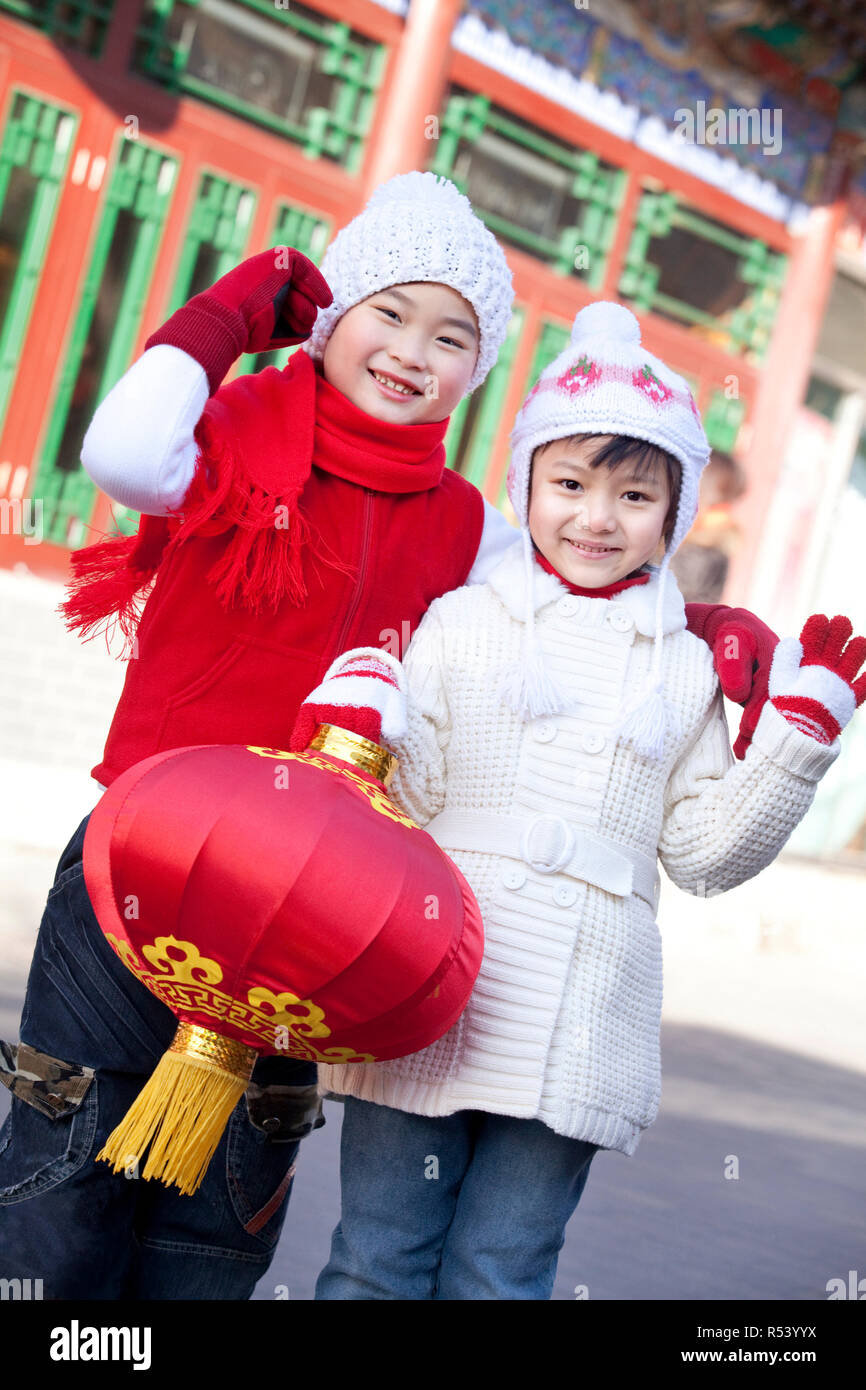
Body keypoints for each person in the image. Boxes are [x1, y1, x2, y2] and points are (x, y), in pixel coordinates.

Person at [0, 170, 776, 1298]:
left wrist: (705, 619)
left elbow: (587, 587)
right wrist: (224, 315)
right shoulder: (230, 432)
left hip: (321, 902)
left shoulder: (465, 524)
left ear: (477, 370)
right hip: (147, 860)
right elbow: (121, 456)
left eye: (452, 334)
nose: (415, 349)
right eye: (389, 311)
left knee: (220, 1208)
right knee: (69, 1151)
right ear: (329, 316)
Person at [305, 301, 866, 1301]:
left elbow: (698, 855)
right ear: (524, 485)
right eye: (566, 484)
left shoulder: (683, 667)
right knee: (377, 1257)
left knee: (501, 1268)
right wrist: (371, 714)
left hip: (577, 1016)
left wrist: (791, 746)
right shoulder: (458, 621)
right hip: (430, 983)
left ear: (676, 510)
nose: (595, 518)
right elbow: (408, 794)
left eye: (634, 495)